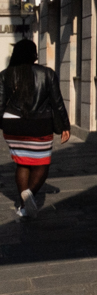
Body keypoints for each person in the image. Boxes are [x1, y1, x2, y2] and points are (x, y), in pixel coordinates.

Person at [0, 39, 70, 219]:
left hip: (13, 124)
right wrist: (64, 125)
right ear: (33, 54)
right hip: (39, 125)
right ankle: (28, 197)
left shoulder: (5, 74)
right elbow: (57, 102)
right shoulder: (47, 73)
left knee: (22, 163)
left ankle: (24, 206)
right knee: (41, 165)